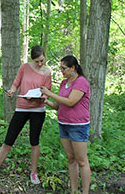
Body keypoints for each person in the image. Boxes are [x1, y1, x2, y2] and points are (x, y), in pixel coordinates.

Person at [0, 45, 51, 185]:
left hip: (38, 110)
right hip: (22, 108)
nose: (39, 64)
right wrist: (12, 91)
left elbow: (47, 91)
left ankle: (33, 173)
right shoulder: (24, 67)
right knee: (9, 139)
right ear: (32, 59)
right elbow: (16, 83)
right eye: (37, 61)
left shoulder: (47, 72)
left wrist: (41, 97)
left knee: (34, 141)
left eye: (42, 60)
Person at [40, 55, 91, 194]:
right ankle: (74, 190)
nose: (61, 71)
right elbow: (61, 105)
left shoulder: (81, 82)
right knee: (71, 158)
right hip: (63, 124)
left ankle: (85, 192)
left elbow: (70, 102)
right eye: (60, 68)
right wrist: (47, 102)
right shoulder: (64, 83)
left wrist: (49, 93)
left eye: (64, 68)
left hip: (78, 126)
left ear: (73, 68)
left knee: (82, 161)